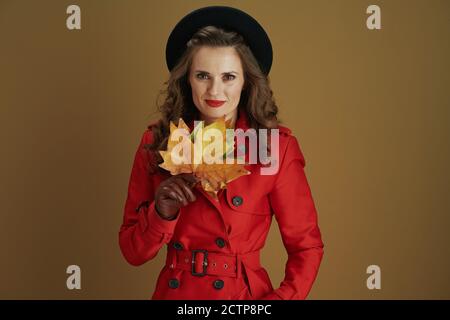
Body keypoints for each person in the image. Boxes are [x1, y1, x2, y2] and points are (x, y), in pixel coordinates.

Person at [119, 6, 324, 300]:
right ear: (186, 79)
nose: (215, 91)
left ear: (246, 81)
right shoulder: (157, 142)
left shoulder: (273, 148)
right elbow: (132, 252)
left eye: (228, 77)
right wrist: (161, 214)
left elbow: (307, 246)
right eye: (203, 75)